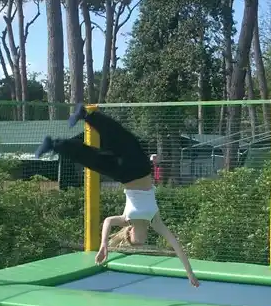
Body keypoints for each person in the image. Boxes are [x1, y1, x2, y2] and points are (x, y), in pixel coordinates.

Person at [36, 104, 199, 288]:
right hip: (141, 168)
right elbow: (176, 246)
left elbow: (107, 221)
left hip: (124, 176)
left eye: (138, 242)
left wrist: (104, 244)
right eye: (143, 242)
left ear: (131, 233)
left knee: (93, 159)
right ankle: (87, 116)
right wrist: (189, 272)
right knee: (122, 139)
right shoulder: (155, 221)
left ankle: (54, 144)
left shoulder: (127, 219)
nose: (143, 241)